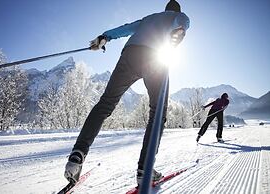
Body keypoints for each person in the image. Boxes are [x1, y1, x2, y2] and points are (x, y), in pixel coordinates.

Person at [64, 0, 190, 185]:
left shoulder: (148, 19)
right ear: (176, 10)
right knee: (157, 113)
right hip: (156, 58)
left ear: (164, 9)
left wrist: (104, 37)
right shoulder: (178, 16)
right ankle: (144, 168)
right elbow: (183, 22)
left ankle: (77, 157)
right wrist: (179, 29)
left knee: (105, 104)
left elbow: (125, 28)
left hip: (130, 55)